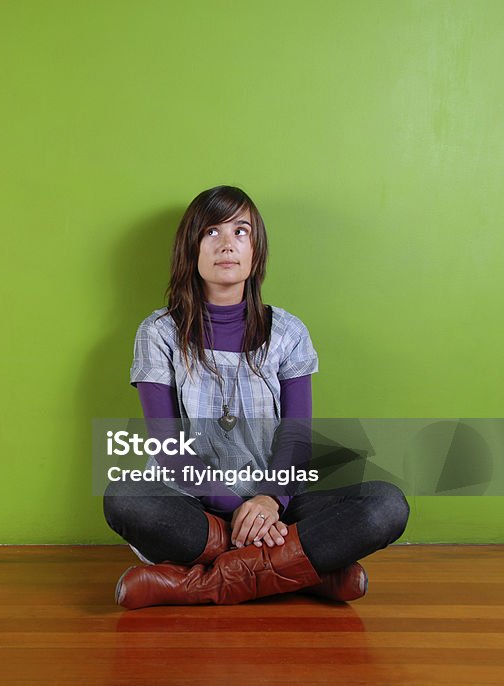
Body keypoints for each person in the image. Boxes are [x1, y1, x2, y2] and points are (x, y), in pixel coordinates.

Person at [103, 185, 410, 609]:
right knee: (125, 497)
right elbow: (167, 448)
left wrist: (268, 500)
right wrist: (241, 506)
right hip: (195, 506)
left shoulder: (287, 332)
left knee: (385, 505)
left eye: (241, 231)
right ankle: (300, 572)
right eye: (211, 232)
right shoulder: (159, 333)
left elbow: (296, 438)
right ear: (190, 248)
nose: (227, 243)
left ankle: (199, 584)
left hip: (276, 499)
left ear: (256, 249)